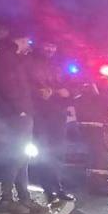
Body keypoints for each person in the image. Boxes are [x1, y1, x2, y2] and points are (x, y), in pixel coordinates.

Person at [0, 34, 47, 214]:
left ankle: (24, 197)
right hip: (17, 115)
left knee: (22, 156)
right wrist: (20, 109)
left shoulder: (11, 58)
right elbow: (9, 86)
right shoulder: (6, 58)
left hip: (19, 113)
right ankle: (6, 198)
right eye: (26, 41)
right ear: (19, 40)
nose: (28, 45)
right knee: (17, 156)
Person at [28, 40, 74, 203]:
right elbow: (27, 86)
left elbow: (71, 84)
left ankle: (57, 186)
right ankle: (48, 188)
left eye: (53, 45)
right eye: (47, 45)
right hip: (40, 113)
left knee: (57, 151)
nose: (50, 48)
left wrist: (67, 92)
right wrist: (47, 92)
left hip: (58, 112)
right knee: (44, 151)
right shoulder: (31, 63)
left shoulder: (59, 64)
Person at [71, 59, 108, 196]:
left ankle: (98, 183)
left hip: (97, 124)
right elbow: (98, 99)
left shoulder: (100, 78)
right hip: (94, 125)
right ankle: (99, 184)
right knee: (99, 156)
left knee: (98, 155)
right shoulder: (86, 83)